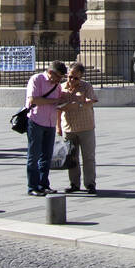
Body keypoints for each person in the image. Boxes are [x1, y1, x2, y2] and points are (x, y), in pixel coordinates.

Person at [24, 61, 70, 197]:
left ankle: (43, 184)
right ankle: (32, 186)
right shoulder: (37, 79)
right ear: (51, 73)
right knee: (34, 155)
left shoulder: (57, 86)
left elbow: (57, 101)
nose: (59, 80)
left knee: (47, 155)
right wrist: (53, 101)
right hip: (36, 121)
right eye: (58, 77)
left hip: (50, 123)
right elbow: (34, 100)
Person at [60, 62, 99, 194]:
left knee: (88, 157)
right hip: (68, 128)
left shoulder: (86, 86)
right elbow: (58, 108)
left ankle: (90, 184)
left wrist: (80, 102)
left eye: (76, 78)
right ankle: (74, 184)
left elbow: (91, 101)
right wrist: (57, 127)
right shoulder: (62, 88)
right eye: (70, 76)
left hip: (86, 127)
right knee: (72, 157)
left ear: (81, 77)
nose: (72, 80)